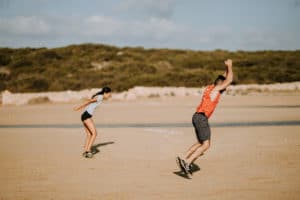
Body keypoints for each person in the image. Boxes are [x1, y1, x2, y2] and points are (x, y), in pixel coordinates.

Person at [177, 59, 233, 177]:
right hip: (201, 117)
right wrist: (230, 66)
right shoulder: (216, 89)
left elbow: (222, 78)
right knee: (206, 145)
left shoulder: (210, 87)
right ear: (220, 85)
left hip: (196, 116)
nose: (225, 88)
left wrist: (226, 69)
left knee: (200, 142)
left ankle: (183, 157)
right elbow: (229, 80)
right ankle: (187, 162)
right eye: (224, 87)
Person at [73, 87, 112, 158]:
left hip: (85, 115)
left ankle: (85, 151)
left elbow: (90, 101)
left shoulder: (99, 96)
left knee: (89, 134)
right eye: (109, 94)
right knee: (94, 133)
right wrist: (78, 108)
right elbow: (89, 101)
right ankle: (88, 151)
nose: (110, 95)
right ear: (106, 93)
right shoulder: (100, 97)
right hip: (86, 115)